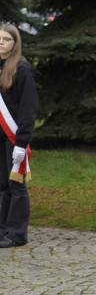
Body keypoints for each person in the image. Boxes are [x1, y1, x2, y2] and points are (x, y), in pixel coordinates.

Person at [0, 24, 39, 249]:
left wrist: (22, 143)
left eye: (6, 39)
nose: (1, 43)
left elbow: (28, 108)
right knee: (3, 185)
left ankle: (17, 235)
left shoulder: (22, 69)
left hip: (15, 138)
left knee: (16, 186)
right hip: (0, 137)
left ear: (15, 43)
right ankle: (4, 230)